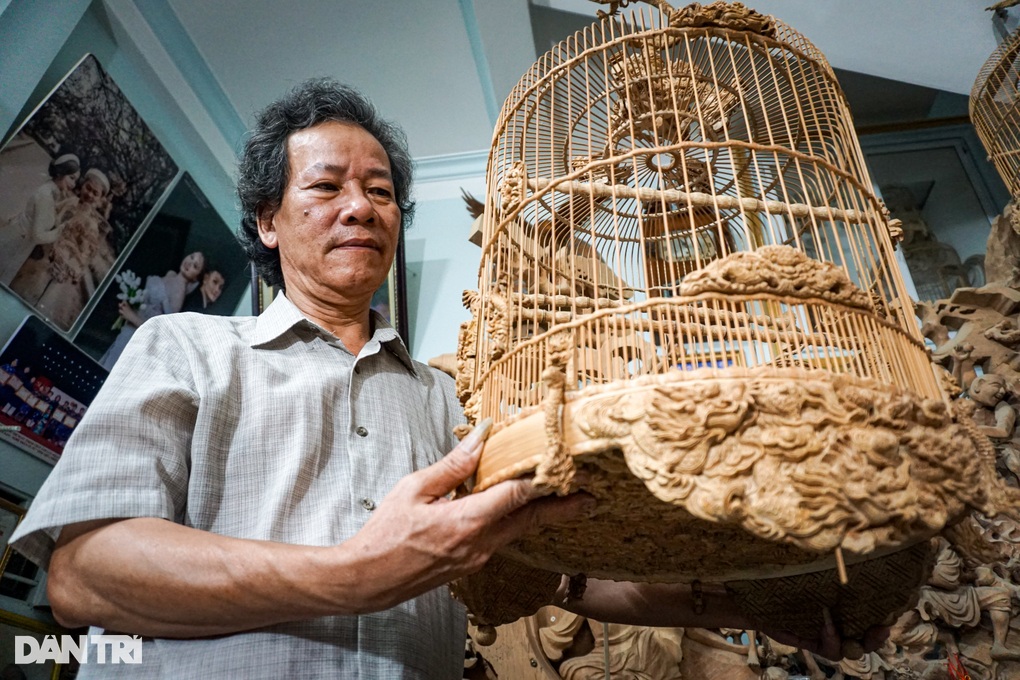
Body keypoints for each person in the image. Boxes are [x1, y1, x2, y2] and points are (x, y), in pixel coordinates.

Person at [8, 80, 852, 679]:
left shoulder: (453, 402)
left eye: (380, 192)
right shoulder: (184, 348)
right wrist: (354, 574)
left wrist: (738, 606)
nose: (360, 207)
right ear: (265, 222)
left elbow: (556, 568)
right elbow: (82, 578)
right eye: (328, 186)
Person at [10, 168, 117, 329]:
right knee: (22, 292)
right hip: (44, 253)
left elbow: (86, 254)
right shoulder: (69, 202)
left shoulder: (91, 224)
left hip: (63, 265)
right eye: (88, 188)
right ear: (82, 185)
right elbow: (49, 218)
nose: (89, 195)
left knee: (46, 299)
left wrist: (68, 265)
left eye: (95, 193)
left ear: (99, 199)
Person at [99, 251, 206, 370]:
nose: (189, 263)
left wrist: (131, 316)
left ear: (196, 277)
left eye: (195, 266)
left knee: (110, 370)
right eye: (191, 257)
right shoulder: (171, 274)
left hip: (136, 337)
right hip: (128, 329)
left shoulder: (179, 294)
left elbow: (160, 331)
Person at [0, 153, 80, 285]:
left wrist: (65, 209)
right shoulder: (46, 196)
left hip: (20, 243)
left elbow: (48, 217)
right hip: (15, 243)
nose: (73, 184)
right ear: (60, 173)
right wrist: (60, 231)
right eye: (71, 178)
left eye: (75, 180)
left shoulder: (51, 191)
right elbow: (38, 236)